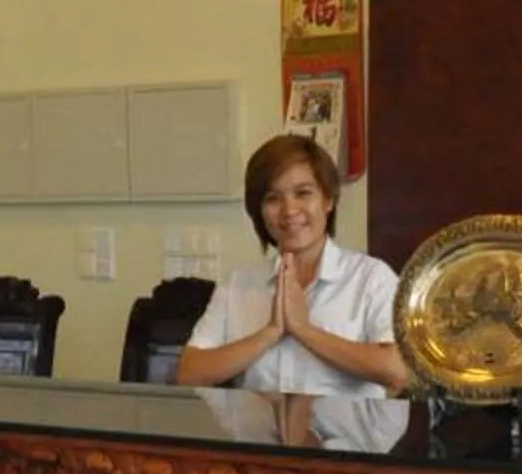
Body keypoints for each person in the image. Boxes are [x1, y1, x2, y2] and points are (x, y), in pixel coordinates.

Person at [172, 134, 405, 396]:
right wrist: (271, 332)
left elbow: (397, 371)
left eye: (303, 193)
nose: (289, 210)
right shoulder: (239, 284)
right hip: (254, 435)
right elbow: (189, 373)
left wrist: (305, 331)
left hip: (343, 437)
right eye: (273, 198)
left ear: (328, 200)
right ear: (259, 211)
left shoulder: (371, 278)